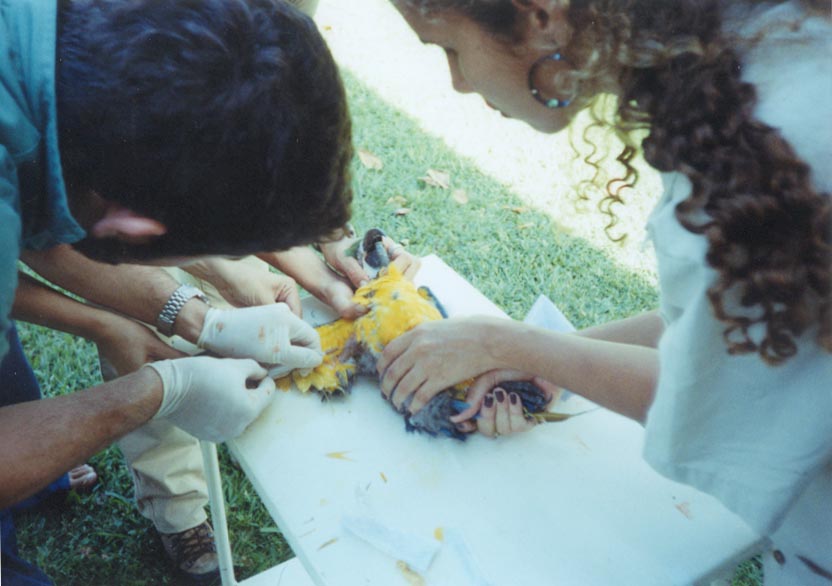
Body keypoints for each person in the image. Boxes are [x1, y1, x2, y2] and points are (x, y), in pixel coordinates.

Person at [376, 1, 831, 584]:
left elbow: (711, 398)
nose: (458, 82)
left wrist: (510, 344)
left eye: (450, 48)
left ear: (539, 14)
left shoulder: (774, 137)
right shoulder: (743, 70)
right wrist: (538, 357)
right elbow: (726, 327)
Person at [0, 0, 354, 583]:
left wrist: (196, 319)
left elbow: (48, 217)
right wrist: (158, 391)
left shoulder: (74, 64)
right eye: (210, 260)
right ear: (131, 227)